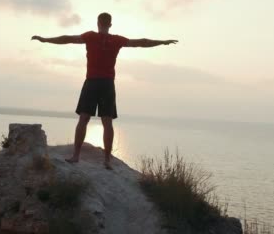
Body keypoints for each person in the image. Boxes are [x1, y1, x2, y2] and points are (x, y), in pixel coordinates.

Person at [31, 12, 178, 170]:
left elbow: (67, 38)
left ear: (98, 22)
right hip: (107, 84)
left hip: (92, 82)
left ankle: (76, 156)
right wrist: (162, 42)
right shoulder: (117, 40)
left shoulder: (90, 36)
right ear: (110, 24)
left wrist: (45, 40)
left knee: (83, 119)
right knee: (107, 122)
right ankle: (107, 161)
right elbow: (142, 42)